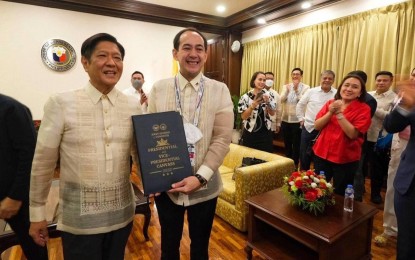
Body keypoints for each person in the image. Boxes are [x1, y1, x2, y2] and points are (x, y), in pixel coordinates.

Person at [29, 33, 141, 259]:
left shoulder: (133, 105)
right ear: (85, 62)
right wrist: (36, 213)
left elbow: (140, 153)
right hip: (79, 222)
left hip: (122, 216)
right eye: (103, 56)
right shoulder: (61, 103)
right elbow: (43, 162)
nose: (111, 63)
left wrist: (158, 179)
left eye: (117, 57)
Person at [148, 27, 233, 260]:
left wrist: (201, 176)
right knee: (168, 247)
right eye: (186, 48)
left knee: (200, 249)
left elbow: (222, 138)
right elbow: (149, 138)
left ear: (205, 55)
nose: (193, 54)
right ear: (175, 53)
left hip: (205, 188)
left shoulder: (220, 90)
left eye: (199, 49)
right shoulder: (159, 88)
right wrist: (152, 178)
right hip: (168, 188)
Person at [0, 94, 48, 260]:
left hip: (16, 198)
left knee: (34, 246)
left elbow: (30, 156)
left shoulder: (11, 109)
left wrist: (14, 197)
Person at [375, 67, 415, 247]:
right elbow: (390, 125)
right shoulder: (406, 97)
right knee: (394, 187)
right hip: (403, 147)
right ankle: (390, 229)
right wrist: (406, 105)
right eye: (414, 75)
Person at [313, 74, 371, 195]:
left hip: (345, 158)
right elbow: (317, 126)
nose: (349, 89)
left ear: (360, 93)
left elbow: (352, 134)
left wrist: (339, 114)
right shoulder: (331, 102)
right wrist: (330, 112)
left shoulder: (364, 109)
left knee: (340, 192)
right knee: (319, 188)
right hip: (322, 153)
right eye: (346, 85)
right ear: (340, 88)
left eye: (354, 87)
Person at [296, 70, 336, 170]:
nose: (327, 80)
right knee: (304, 157)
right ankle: (302, 179)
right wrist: (301, 119)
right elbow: (300, 105)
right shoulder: (311, 91)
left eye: (330, 78)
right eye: (324, 78)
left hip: (326, 131)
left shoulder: (337, 94)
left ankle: (318, 181)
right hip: (309, 128)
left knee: (321, 160)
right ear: (320, 79)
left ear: (333, 80)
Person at [366, 71, 397, 204]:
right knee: (361, 167)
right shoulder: (369, 95)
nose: (381, 83)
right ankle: (359, 189)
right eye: (378, 80)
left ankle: (376, 194)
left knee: (377, 169)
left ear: (391, 81)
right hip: (363, 135)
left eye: (384, 80)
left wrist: (373, 108)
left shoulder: (395, 98)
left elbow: (391, 118)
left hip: (380, 139)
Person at [348, 70, 377, 202]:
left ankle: (357, 200)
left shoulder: (369, 101)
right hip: (339, 143)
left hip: (357, 143)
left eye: (354, 85)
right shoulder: (342, 98)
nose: (349, 88)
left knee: (357, 172)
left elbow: (359, 126)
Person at [238, 71, 277, 152]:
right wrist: (253, 106)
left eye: (264, 80)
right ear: (253, 81)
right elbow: (243, 116)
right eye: (260, 79)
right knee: (249, 159)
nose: (262, 82)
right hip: (250, 133)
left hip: (266, 133)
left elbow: (272, 113)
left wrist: (268, 102)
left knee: (266, 160)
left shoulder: (269, 95)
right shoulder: (245, 97)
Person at [280, 68, 310, 167]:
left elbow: (303, 101)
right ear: (291, 75)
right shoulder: (286, 86)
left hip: (297, 121)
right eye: (293, 74)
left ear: (301, 76)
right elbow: (280, 100)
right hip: (285, 119)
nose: (295, 76)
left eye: (297, 74)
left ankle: (295, 165)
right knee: (287, 143)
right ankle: (287, 164)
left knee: (296, 144)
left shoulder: (306, 88)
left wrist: (297, 90)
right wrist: (287, 92)